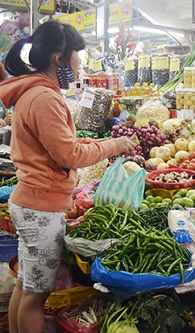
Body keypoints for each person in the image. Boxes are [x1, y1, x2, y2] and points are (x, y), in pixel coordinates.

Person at [0, 20, 137, 333]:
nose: (79, 63)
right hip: (41, 209)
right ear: (58, 58)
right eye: (77, 54)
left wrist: (100, 144)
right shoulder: (44, 98)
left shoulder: (34, 91)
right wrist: (114, 144)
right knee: (37, 295)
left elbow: (63, 146)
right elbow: (68, 155)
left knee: (26, 286)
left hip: (32, 201)